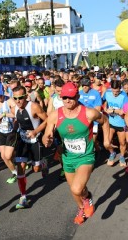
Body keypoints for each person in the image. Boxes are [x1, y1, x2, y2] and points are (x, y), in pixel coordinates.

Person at [42, 82, 109, 225]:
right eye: (64, 97)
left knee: (77, 188)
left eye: (71, 97)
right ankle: (81, 208)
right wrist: (46, 140)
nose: (67, 100)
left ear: (77, 96)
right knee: (74, 191)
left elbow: (105, 121)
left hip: (86, 156)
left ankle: (87, 198)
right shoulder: (55, 115)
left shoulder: (89, 113)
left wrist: (106, 141)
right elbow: (46, 135)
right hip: (67, 157)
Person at [12, 85, 48, 209]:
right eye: (15, 98)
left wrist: (36, 131)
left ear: (26, 96)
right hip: (22, 140)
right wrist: (14, 131)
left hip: (35, 140)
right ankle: (23, 197)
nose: (18, 101)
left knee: (36, 169)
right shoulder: (14, 108)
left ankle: (43, 164)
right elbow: (18, 122)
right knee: (20, 167)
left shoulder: (34, 106)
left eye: (20, 98)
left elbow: (48, 120)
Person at [103, 80, 128, 166]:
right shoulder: (107, 93)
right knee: (107, 143)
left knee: (122, 143)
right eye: (113, 91)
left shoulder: (124, 96)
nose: (115, 93)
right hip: (110, 122)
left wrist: (114, 110)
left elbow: (124, 111)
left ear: (120, 89)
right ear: (111, 88)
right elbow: (101, 101)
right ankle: (112, 153)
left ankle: (122, 157)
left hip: (121, 123)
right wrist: (105, 109)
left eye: (117, 91)